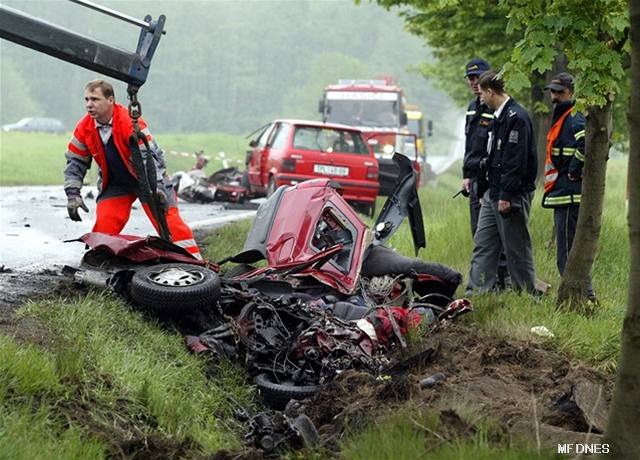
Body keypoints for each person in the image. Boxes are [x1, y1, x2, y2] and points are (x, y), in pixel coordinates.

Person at [63, 79, 202, 259]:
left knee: (169, 223)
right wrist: (73, 194)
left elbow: (152, 159)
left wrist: (157, 189)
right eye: (87, 99)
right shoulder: (84, 127)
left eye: (95, 99)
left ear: (111, 100)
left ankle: (196, 266)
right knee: (104, 229)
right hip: (116, 183)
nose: (89, 105)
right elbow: (75, 162)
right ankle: (100, 268)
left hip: (147, 180)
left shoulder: (129, 122)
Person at [467, 70, 537, 293]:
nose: (481, 99)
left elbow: (514, 162)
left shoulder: (516, 118)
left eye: (482, 94)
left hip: (510, 195)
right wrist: (484, 188)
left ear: (490, 91)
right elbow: (492, 157)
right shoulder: (498, 117)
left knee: (516, 249)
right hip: (492, 193)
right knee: (483, 244)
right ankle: (476, 293)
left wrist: (506, 196)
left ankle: (526, 295)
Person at [542, 72, 594, 298]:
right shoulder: (563, 116)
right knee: (566, 250)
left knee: (567, 252)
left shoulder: (574, 118)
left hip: (569, 194)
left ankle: (582, 296)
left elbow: (586, 142)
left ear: (571, 93)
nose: (554, 96)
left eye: (560, 92)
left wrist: (574, 170)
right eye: (552, 91)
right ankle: (581, 295)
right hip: (562, 192)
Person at [462, 58, 509, 289]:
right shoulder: (473, 108)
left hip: (490, 179)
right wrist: (467, 175)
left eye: (477, 77)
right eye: (470, 78)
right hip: (475, 179)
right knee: (478, 233)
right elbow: (470, 145)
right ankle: (485, 282)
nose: (473, 82)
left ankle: (502, 281)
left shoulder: (496, 108)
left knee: (493, 234)